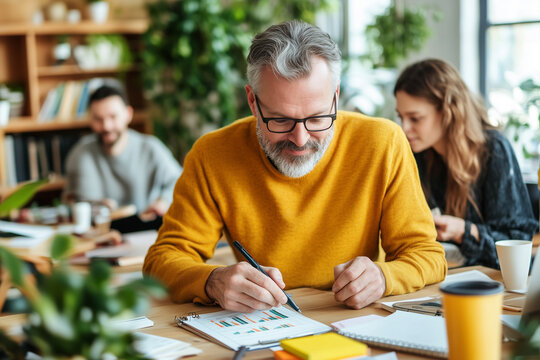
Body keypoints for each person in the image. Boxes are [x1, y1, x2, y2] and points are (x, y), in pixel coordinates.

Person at [143, 20, 446, 312]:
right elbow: (161, 261)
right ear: (252, 102)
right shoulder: (212, 154)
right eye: (281, 120)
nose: (300, 139)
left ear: (336, 98)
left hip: (357, 320)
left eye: (317, 118)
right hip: (264, 324)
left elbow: (427, 255)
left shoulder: (383, 142)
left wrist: (383, 278)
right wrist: (212, 281)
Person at [394, 58, 538, 268]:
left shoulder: (493, 150)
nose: (404, 128)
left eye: (415, 118)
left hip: (493, 284)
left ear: (448, 111)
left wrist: (463, 231)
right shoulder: (417, 155)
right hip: (445, 278)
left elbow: (518, 242)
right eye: (401, 117)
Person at [64, 85, 182, 222]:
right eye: (98, 119)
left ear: (128, 114)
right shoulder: (80, 154)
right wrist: (94, 207)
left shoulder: (150, 147)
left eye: (113, 117)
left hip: (145, 228)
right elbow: (70, 201)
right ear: (90, 119)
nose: (106, 126)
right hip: (100, 231)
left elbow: (180, 181)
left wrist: (163, 202)